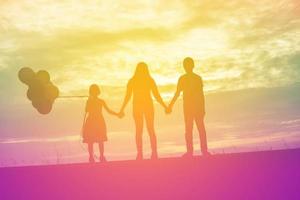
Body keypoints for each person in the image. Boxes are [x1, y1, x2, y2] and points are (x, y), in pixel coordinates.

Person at [119, 62, 168, 160]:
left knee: (140, 130)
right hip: (145, 106)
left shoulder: (134, 80)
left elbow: (128, 97)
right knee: (149, 129)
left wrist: (122, 109)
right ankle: (151, 153)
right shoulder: (148, 80)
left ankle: (142, 154)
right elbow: (156, 95)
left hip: (140, 106)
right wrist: (164, 106)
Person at [167, 57, 210, 157]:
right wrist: (171, 105)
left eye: (188, 65)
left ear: (191, 66)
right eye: (186, 65)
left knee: (199, 129)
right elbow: (178, 93)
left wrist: (202, 108)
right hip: (188, 108)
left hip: (195, 108)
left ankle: (203, 151)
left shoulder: (196, 78)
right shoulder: (184, 79)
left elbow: (200, 94)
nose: (187, 67)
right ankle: (191, 151)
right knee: (190, 130)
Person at [82, 84, 120, 163]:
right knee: (93, 141)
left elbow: (87, 110)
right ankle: (94, 157)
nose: (94, 93)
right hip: (95, 121)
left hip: (95, 121)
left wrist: (117, 114)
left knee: (96, 140)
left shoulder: (97, 101)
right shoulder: (91, 101)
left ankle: (96, 157)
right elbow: (87, 110)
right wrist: (117, 114)